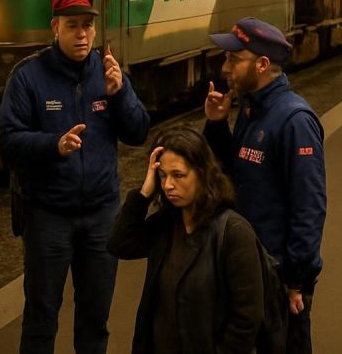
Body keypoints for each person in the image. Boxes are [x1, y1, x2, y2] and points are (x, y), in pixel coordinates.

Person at [0, 0, 150, 354]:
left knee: (95, 320)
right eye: (72, 26)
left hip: (101, 216)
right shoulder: (28, 76)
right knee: (41, 318)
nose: (82, 34)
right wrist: (54, 145)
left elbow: (138, 133)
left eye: (87, 25)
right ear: (55, 27)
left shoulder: (107, 72)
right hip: (48, 216)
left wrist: (120, 94)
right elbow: (9, 142)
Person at [204, 17, 326, 353]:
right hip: (247, 265)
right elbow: (231, 175)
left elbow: (309, 207)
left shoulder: (294, 120)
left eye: (233, 59)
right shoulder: (251, 110)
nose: (225, 68)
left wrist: (297, 279)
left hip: (279, 275)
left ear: (261, 64)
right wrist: (216, 126)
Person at [109, 127, 265, 353]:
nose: (168, 185)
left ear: (202, 173)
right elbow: (119, 243)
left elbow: (247, 318)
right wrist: (144, 194)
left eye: (178, 175)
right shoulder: (167, 224)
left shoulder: (233, 232)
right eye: (163, 176)